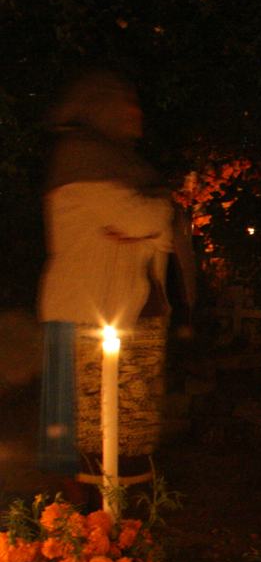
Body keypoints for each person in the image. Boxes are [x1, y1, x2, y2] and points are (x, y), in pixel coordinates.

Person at [38, 70, 194, 482]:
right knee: (94, 439)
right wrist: (156, 213)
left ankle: (118, 533)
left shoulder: (120, 164)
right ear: (100, 108)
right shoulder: (82, 159)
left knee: (127, 436)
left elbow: (161, 228)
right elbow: (150, 217)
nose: (134, 113)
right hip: (92, 314)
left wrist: (153, 219)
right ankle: (89, 535)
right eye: (124, 103)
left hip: (128, 312)